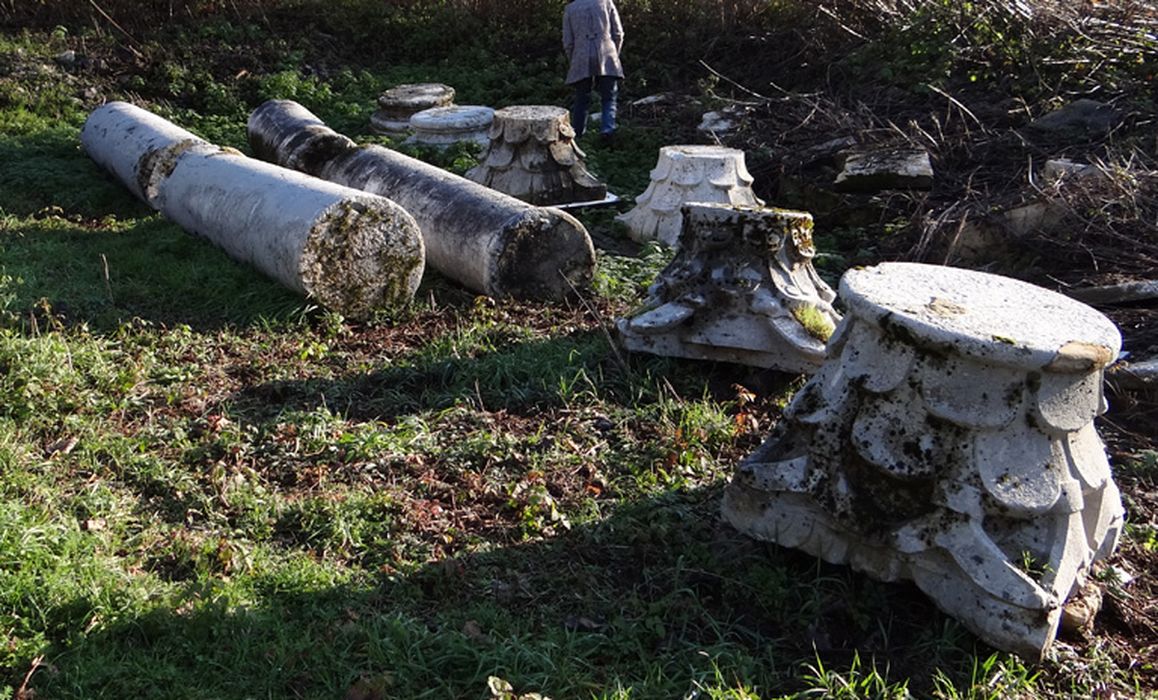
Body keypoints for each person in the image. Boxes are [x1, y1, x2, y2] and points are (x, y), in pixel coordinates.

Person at [562, 0, 623, 142]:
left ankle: (577, 135)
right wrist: (614, 54)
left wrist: (574, 59)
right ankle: (608, 130)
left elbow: (568, 42)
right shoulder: (606, 2)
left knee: (581, 98)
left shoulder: (570, 9)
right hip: (607, 53)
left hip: (580, 56)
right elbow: (618, 33)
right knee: (609, 97)